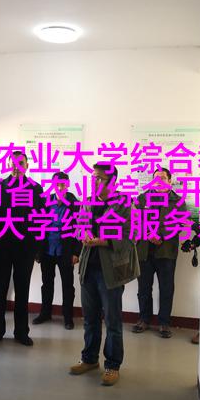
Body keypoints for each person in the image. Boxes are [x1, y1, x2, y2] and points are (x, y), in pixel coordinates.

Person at [69, 164, 139, 386]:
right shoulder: (88, 201)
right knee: (90, 319)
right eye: (93, 177)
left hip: (111, 271)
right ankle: (89, 359)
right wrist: (82, 234)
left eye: (99, 178)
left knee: (112, 321)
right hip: (88, 268)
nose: (94, 181)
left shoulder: (125, 205)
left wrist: (103, 241)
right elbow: (78, 227)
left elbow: (131, 236)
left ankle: (112, 365)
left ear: (113, 181)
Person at [0, 151, 44, 347]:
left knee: (22, 290)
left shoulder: (36, 189)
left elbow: (42, 219)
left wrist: (38, 248)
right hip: (1, 247)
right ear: (8, 165)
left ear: (27, 166)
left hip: (26, 248)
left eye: (21, 163)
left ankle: (21, 332)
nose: (17, 167)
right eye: (13, 163)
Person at [132, 167, 187, 338]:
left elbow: (179, 223)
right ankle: (144, 319)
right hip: (144, 251)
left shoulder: (178, 201)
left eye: (163, 178)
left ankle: (164, 323)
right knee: (143, 288)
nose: (159, 181)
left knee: (166, 289)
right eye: (156, 178)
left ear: (170, 181)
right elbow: (134, 220)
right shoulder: (142, 199)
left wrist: (161, 235)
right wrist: (149, 234)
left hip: (166, 252)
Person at [32, 171, 81, 329]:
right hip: (47, 250)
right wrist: (38, 251)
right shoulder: (46, 202)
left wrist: (76, 252)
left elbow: (80, 229)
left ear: (68, 185)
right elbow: (39, 226)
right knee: (47, 283)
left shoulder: (75, 204)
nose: (60, 188)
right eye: (57, 185)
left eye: (63, 185)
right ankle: (45, 313)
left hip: (65, 251)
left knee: (68, 285)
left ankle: (68, 317)